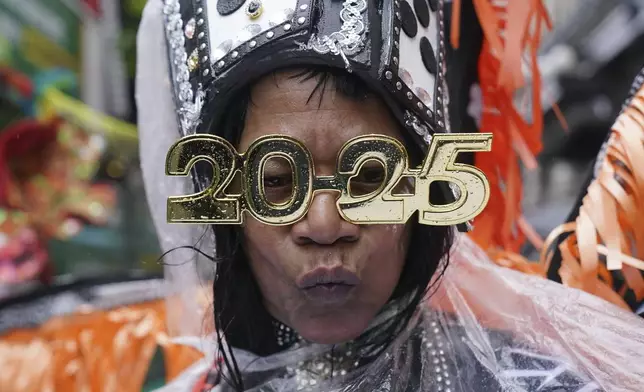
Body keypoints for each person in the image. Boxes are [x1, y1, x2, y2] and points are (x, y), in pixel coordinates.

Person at [136, 0, 644, 391]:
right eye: (276, 182)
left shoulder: (538, 378)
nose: (325, 225)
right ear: (221, 196)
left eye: (370, 174)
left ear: (425, 185)